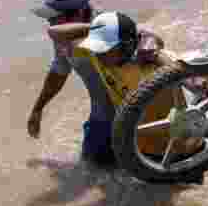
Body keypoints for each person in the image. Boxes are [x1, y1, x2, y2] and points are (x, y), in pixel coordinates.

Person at [43, 10, 182, 166]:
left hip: (178, 151)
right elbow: (53, 32)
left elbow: (193, 76)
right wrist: (95, 29)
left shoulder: (155, 63)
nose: (98, 54)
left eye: (104, 49)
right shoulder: (95, 55)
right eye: (97, 47)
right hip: (140, 152)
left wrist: (197, 81)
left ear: (126, 46)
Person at [28, 0, 95, 147]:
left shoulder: (107, 25)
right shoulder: (63, 39)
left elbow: (142, 34)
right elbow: (59, 71)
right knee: (93, 157)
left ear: (78, 15)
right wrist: (38, 109)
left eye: (54, 18)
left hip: (127, 103)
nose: (49, 22)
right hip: (101, 109)